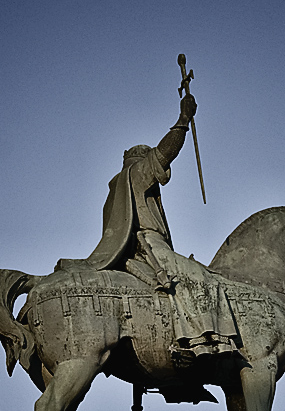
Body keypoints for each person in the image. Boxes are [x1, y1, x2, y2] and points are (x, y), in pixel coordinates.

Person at [80, 92, 239, 360]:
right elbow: (165, 154)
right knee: (200, 278)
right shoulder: (135, 175)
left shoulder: (118, 187)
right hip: (150, 244)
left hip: (145, 246)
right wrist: (183, 120)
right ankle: (200, 342)